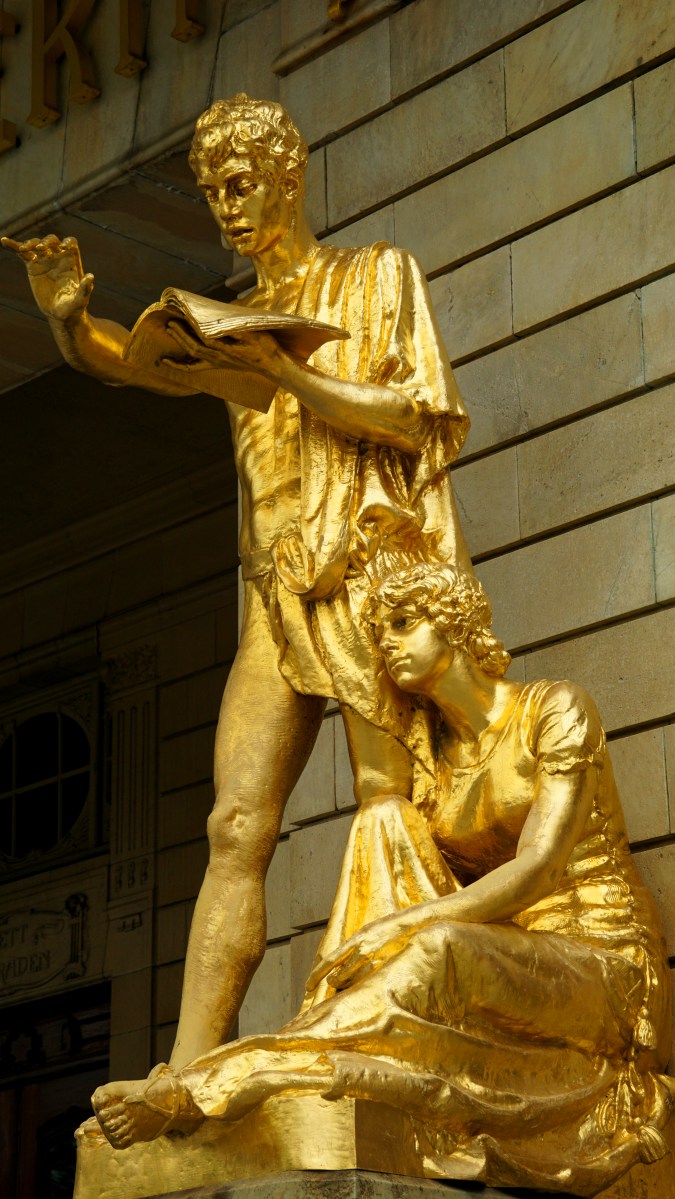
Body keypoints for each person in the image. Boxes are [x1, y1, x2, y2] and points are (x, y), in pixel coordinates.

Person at [2, 95, 472, 1070]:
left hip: (364, 567)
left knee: (389, 800)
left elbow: (412, 416)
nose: (225, 203)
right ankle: (183, 1071)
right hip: (272, 588)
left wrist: (282, 369)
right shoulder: (222, 324)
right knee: (235, 822)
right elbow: (137, 365)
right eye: (212, 188)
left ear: (288, 175)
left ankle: (400, 1031)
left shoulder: (372, 274)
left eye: (240, 181)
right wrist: (68, 320)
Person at [90, 564, 673, 1196]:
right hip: (505, 952)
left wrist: (398, 927)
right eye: (379, 632)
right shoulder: (435, 766)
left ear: (453, 624)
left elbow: (540, 866)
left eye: (402, 623)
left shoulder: (555, 708)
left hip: (602, 963)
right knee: (383, 820)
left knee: (439, 946)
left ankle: (219, 1079)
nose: (387, 644)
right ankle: (283, 1068)